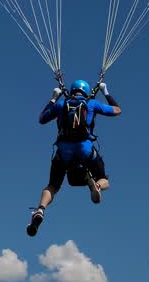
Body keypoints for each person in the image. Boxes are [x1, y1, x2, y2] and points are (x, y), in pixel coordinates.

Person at [26, 79, 121, 237]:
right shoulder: (92, 104)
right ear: (86, 91)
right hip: (85, 150)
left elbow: (42, 119)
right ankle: (97, 186)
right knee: (104, 179)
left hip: (64, 152)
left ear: (71, 90)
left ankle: (40, 209)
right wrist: (106, 91)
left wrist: (53, 98)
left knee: (53, 186)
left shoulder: (61, 104)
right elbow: (117, 110)